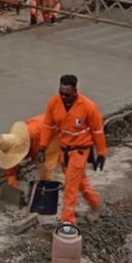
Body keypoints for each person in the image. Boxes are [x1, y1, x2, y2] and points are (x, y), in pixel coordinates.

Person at [38, 74, 108, 224]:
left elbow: (97, 131)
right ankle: (96, 203)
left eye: (67, 94)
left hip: (80, 150)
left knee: (70, 184)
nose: (63, 97)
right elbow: (48, 127)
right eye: (61, 93)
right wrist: (42, 148)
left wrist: (101, 153)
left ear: (75, 91)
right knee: (79, 181)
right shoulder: (53, 103)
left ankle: (67, 220)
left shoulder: (88, 107)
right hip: (64, 150)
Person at [0, 115, 60, 189]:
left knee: (47, 166)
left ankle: (47, 187)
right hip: (44, 127)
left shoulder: (38, 138)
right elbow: (10, 151)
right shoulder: (12, 141)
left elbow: (43, 158)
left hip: (55, 131)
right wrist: (11, 175)